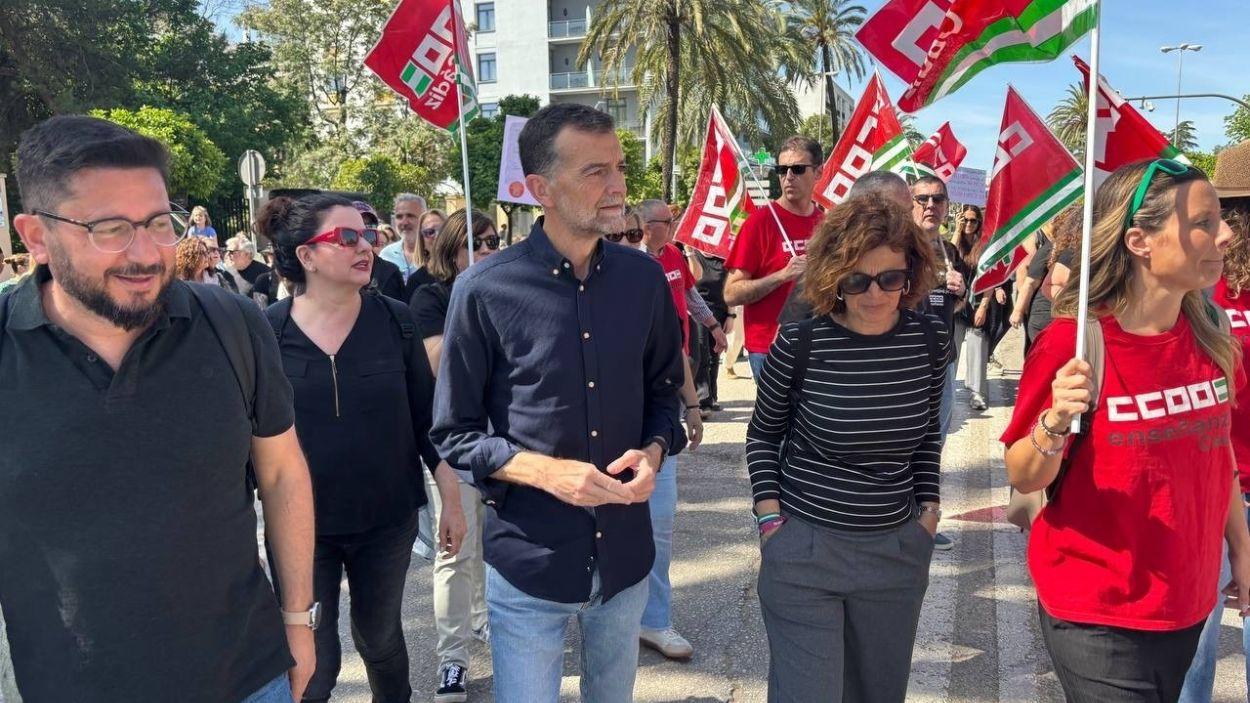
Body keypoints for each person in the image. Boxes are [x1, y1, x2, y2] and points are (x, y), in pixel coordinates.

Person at [0, 114, 316, 702]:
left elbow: (281, 472)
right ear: (35, 236)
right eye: (110, 228)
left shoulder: (231, 323)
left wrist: (298, 618)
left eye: (156, 222)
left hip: (248, 679)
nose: (145, 253)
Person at [431, 103, 686, 703]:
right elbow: (455, 433)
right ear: (541, 188)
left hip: (625, 554)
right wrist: (546, 474)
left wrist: (655, 449)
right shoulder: (484, 289)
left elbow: (664, 394)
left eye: (619, 167)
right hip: (531, 561)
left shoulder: (643, 280)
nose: (619, 186)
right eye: (596, 172)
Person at [1002, 159, 1247, 703]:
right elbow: (1022, 473)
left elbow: (1218, 454)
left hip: (1186, 599)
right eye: (1204, 222)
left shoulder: (1211, 336)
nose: (1226, 234)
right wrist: (1056, 421)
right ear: (1139, 240)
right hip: (1098, 609)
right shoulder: (1074, 341)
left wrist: (1242, 548)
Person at [257, 193, 466, 703]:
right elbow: (250, 439)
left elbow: (427, 420)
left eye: (368, 234)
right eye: (346, 237)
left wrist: (452, 499)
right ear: (306, 256)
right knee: (314, 660)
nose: (365, 245)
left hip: (386, 519)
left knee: (379, 638)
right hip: (301, 528)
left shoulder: (396, 320)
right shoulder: (266, 331)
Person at [749, 194, 946, 702]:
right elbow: (763, 435)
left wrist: (928, 513)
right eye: (857, 279)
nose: (875, 294)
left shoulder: (928, 339)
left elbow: (927, 435)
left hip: (895, 552)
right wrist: (771, 521)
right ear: (834, 277)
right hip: (805, 551)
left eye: (890, 278)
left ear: (911, 274)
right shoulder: (801, 343)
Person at [407, 208, 498, 700]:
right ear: (453, 250)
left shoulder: (503, 289)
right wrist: (469, 299)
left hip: (501, 439)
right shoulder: (430, 296)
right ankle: (452, 660)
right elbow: (434, 360)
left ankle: (482, 620)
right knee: (455, 551)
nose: (487, 250)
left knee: (489, 545)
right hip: (453, 444)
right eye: (476, 243)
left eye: (492, 241)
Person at [631, 200, 725, 660]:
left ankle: (654, 620)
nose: (627, 246)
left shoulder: (661, 273)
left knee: (659, 526)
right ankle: (605, 617)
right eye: (619, 237)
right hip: (603, 432)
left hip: (660, 422)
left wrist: (691, 405)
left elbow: (676, 347)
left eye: (631, 237)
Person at [1179, 193, 1250, 703]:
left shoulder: (1194, 287)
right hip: (1216, 480)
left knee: (1196, 633)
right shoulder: (1197, 291)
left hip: (1212, 478)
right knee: (1195, 634)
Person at [724, 135, 825, 379]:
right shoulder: (759, 223)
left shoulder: (826, 223)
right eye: (782, 169)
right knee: (781, 419)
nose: (788, 177)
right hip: (770, 348)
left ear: (819, 172)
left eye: (798, 169)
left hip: (818, 344)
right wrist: (782, 276)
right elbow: (731, 293)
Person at [952, 204, 999, 411]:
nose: (969, 224)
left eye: (973, 220)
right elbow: (948, 258)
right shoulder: (956, 244)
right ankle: (947, 391)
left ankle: (978, 393)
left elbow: (991, 279)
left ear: (979, 223)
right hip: (955, 304)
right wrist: (956, 229)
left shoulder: (985, 246)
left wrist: (984, 307)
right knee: (950, 349)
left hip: (978, 303)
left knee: (977, 347)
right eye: (965, 220)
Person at [355, 200, 405, 300]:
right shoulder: (336, 269)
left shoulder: (390, 272)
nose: (365, 229)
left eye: (370, 225)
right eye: (357, 225)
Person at [380, 193, 427, 283]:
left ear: (425, 218)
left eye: (410, 216)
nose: (404, 222)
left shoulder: (437, 255)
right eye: (399, 217)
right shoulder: (386, 255)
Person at [402, 209, 448, 302]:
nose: (438, 236)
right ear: (422, 241)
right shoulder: (416, 281)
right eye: (430, 232)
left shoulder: (464, 271)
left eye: (443, 230)